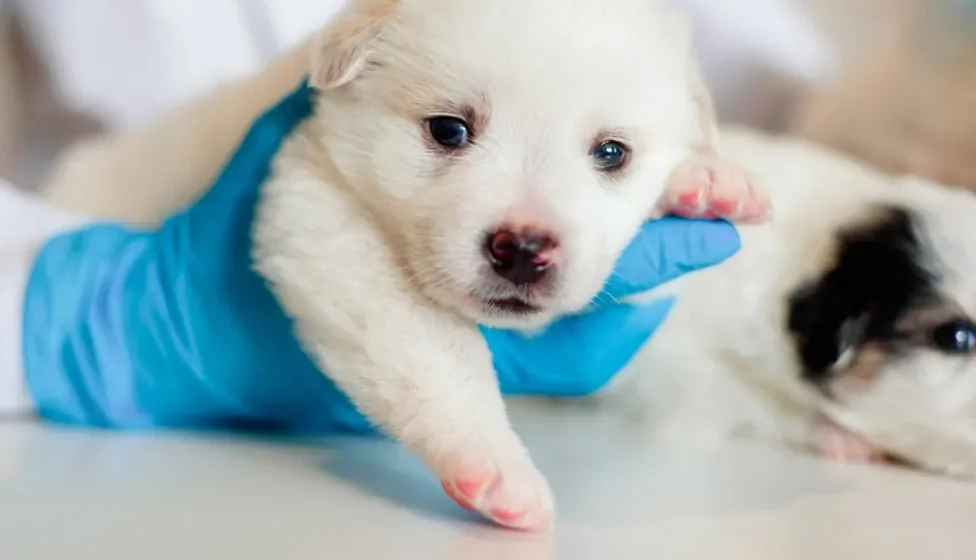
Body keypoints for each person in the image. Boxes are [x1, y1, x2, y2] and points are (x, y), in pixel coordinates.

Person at [0, 80, 741, 434]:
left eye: (609, 155)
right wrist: (98, 319)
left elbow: (746, 80)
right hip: (78, 225)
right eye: (452, 132)